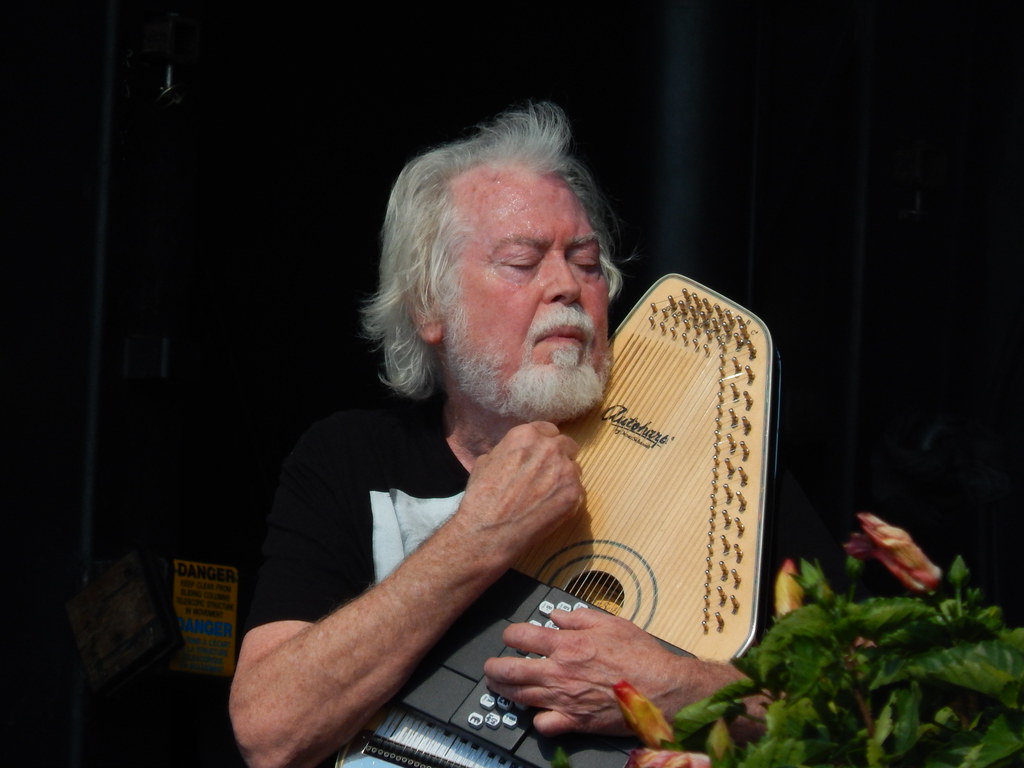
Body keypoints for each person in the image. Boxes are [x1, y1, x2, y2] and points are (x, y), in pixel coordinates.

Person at [228, 102, 758, 768]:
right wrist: (483, 533)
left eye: (588, 263)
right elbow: (271, 733)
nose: (567, 285)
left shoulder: (710, 463)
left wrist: (682, 689)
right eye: (522, 261)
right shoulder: (349, 458)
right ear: (430, 306)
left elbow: (861, 712)